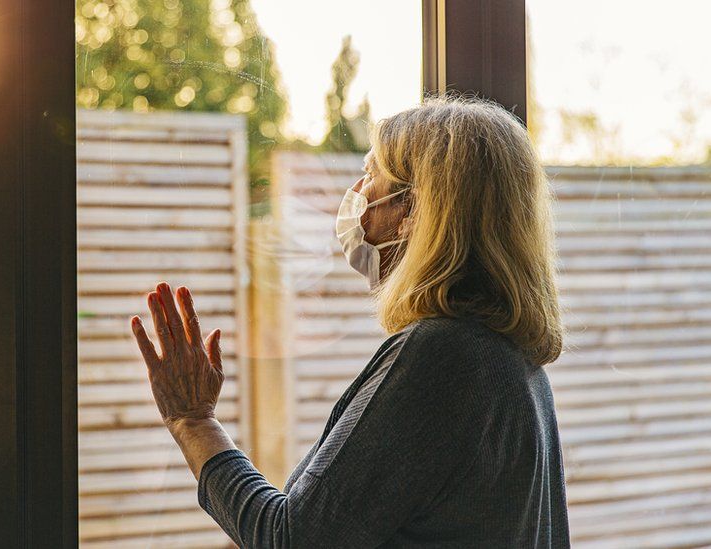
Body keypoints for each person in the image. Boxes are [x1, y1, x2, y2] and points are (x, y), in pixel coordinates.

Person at [130, 95, 570, 548]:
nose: (357, 192)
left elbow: (291, 540)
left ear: (413, 211)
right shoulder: (510, 359)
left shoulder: (442, 356)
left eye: (372, 173)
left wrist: (193, 421)